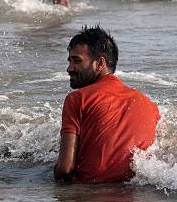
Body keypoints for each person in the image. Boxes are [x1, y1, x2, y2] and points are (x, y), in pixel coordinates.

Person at [54, 26, 160, 183]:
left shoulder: (78, 99)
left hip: (90, 196)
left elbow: (64, 169)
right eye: (69, 61)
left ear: (100, 63)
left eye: (76, 61)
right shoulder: (149, 105)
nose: (69, 68)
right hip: (136, 199)